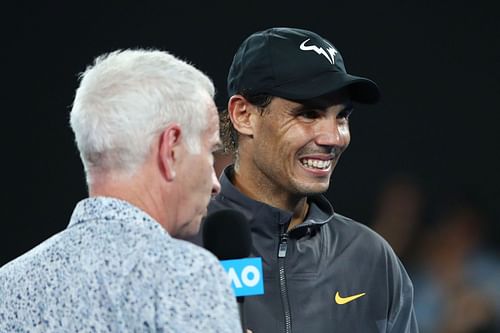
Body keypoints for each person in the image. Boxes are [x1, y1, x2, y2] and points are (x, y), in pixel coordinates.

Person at [192, 27, 419, 332]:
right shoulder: (182, 246)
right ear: (244, 115)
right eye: (308, 114)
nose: (333, 138)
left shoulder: (370, 257)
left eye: (342, 116)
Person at [0, 49, 242, 332]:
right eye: (210, 151)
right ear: (171, 149)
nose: (215, 183)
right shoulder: (186, 274)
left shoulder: (9, 283)